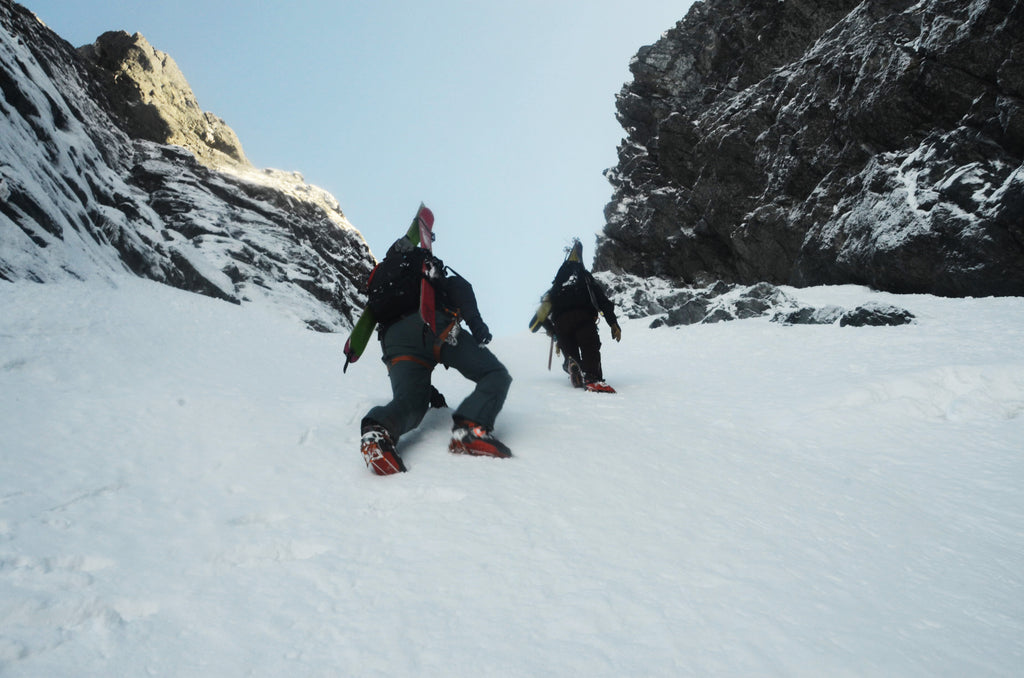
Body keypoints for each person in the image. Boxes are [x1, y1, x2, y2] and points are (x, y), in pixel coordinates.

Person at [359, 235, 513, 475]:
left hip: (394, 343)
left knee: (411, 403)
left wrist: (429, 394)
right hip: (432, 325)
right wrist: (477, 324)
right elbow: (461, 289)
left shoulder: (384, 281)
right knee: (494, 374)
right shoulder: (429, 273)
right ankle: (470, 429)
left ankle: (378, 429)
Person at [539, 239, 621, 393]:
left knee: (570, 350)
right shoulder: (585, 278)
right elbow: (602, 301)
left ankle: (572, 363)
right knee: (590, 347)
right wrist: (613, 323)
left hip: (561, 324)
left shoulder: (556, 287)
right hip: (583, 317)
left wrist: (555, 334)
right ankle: (592, 378)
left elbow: (541, 316)